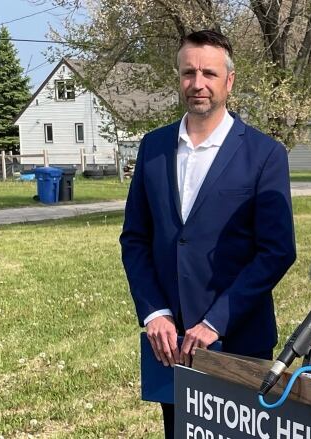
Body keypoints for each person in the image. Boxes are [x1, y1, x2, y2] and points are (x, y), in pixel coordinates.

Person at [120, 30, 296, 438]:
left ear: (228, 81)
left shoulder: (264, 154)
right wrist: (154, 312)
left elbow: (276, 251)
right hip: (171, 347)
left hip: (238, 342)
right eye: (188, 72)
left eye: (209, 74)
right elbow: (135, 239)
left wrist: (216, 321)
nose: (198, 83)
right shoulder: (154, 148)